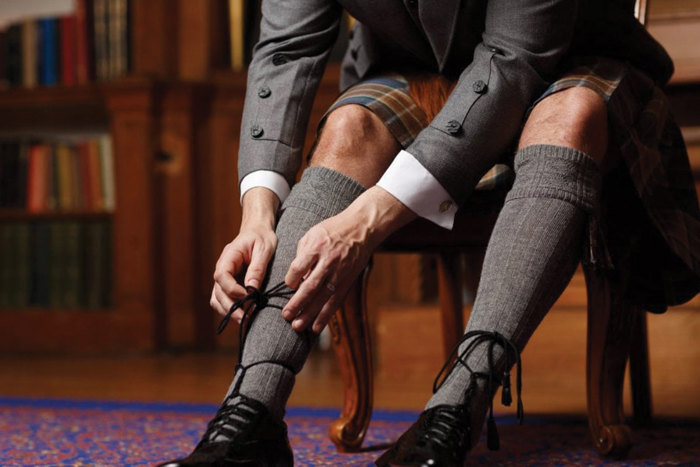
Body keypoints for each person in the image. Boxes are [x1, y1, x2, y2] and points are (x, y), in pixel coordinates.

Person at [158, 0, 700, 465]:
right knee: (347, 126)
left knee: (573, 115)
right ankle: (250, 417)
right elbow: (286, 47)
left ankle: (456, 409)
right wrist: (257, 213)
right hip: (414, 67)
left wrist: (366, 220)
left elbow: (513, 60)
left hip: (568, 58)